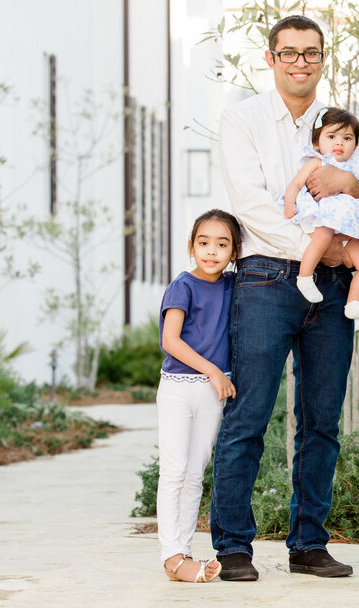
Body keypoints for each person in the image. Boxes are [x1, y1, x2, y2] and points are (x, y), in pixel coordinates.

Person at [211, 14, 359, 581]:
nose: (300, 62)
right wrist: (319, 245)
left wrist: (351, 186)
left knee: (321, 420)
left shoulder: (344, 126)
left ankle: (308, 543)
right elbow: (250, 202)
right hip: (265, 279)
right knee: (249, 414)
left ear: (323, 59)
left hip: (331, 288)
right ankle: (233, 545)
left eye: (311, 53)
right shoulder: (244, 119)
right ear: (271, 58)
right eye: (290, 53)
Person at [156, 209, 242, 584]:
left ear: (235, 252)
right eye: (204, 243)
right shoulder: (183, 286)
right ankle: (170, 556)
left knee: (194, 475)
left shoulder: (231, 286)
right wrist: (211, 370)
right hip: (179, 388)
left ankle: (185, 551)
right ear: (191, 247)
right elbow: (170, 340)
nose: (212, 251)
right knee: (174, 471)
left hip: (212, 393)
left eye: (222, 244)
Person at [282, 106, 359, 320]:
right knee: (322, 237)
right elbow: (296, 184)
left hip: (346, 228)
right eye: (332, 136)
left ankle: (353, 303)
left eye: (347, 138)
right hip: (324, 217)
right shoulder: (317, 162)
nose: (339, 142)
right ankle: (305, 277)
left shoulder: (356, 165)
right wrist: (290, 203)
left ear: (355, 144)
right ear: (317, 142)